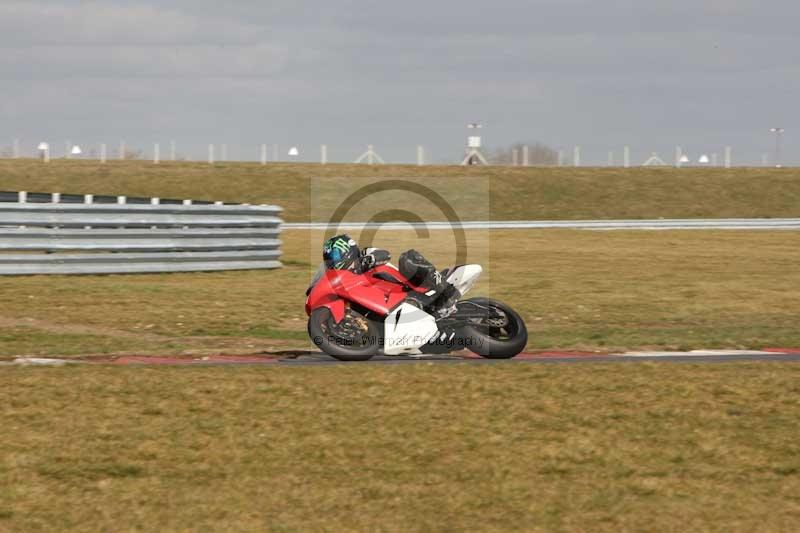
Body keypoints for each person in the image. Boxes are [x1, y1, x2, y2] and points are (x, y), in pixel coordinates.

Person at [319, 234, 460, 317]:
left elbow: (385, 254)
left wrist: (369, 259)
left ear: (345, 250)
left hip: (407, 288)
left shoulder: (364, 254)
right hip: (387, 304)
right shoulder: (346, 281)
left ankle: (445, 292)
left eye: (334, 256)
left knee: (407, 258)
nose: (332, 262)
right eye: (329, 260)